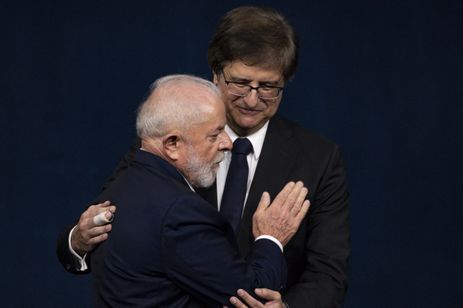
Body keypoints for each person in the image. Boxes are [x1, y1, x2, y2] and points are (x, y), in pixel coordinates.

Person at [57, 6, 350, 308]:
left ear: (284, 84)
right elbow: (116, 228)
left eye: (268, 87)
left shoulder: (319, 159)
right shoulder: (169, 139)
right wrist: (78, 240)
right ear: (216, 74)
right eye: (240, 83)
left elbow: (328, 272)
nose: (252, 99)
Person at [90, 74, 309, 307]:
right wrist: (271, 237)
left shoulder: (122, 185)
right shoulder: (179, 212)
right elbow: (252, 295)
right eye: (215, 134)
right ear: (172, 144)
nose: (228, 143)